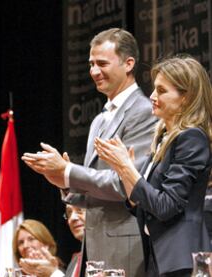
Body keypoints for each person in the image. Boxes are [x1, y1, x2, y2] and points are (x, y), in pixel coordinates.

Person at [22, 28, 157, 276]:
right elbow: (95, 196)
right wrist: (63, 182)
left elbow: (127, 185)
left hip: (126, 245)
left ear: (129, 64)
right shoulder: (99, 120)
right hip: (95, 247)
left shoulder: (143, 111)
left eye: (102, 63)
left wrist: (69, 171)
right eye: (91, 64)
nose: (94, 71)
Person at [95, 55, 212, 276]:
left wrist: (127, 168)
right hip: (159, 258)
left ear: (186, 97)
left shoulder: (192, 138)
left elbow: (166, 206)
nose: (152, 96)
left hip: (183, 260)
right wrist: (123, 170)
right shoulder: (163, 139)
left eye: (161, 90)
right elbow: (143, 206)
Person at [19, 200, 86, 277]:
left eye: (80, 210)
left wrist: (53, 273)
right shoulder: (74, 262)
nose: (72, 218)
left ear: (46, 243)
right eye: (69, 213)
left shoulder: (101, 254)